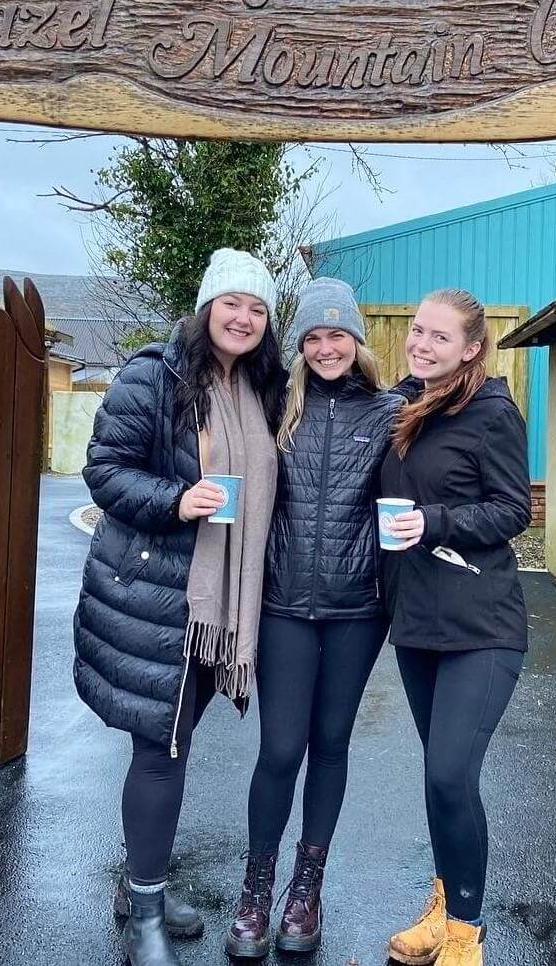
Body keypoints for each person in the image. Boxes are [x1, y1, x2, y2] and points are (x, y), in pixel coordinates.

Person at [73, 248, 287, 966]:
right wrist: (175, 499)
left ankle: (145, 888)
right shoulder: (154, 376)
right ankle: (143, 917)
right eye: (232, 303)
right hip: (157, 596)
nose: (243, 317)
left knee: (175, 743)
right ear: (205, 307)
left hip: (215, 604)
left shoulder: (257, 388)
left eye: (257, 308)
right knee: (160, 750)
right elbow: (103, 469)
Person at [226, 278, 403, 958]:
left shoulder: (391, 411)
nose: (326, 346)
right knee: (278, 749)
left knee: (330, 743)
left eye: (338, 334)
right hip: (282, 606)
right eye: (313, 336)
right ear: (299, 346)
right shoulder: (277, 406)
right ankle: (254, 887)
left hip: (358, 609)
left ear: (356, 342)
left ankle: (306, 888)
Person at [380, 288, 531, 966]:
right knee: (440, 777)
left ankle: (466, 931)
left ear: (472, 348)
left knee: (449, 774)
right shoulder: (404, 402)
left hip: (481, 624)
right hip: (417, 623)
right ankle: (443, 908)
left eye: (439, 337)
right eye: (417, 330)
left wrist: (435, 520)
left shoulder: (492, 411)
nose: (421, 342)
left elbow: (510, 510)